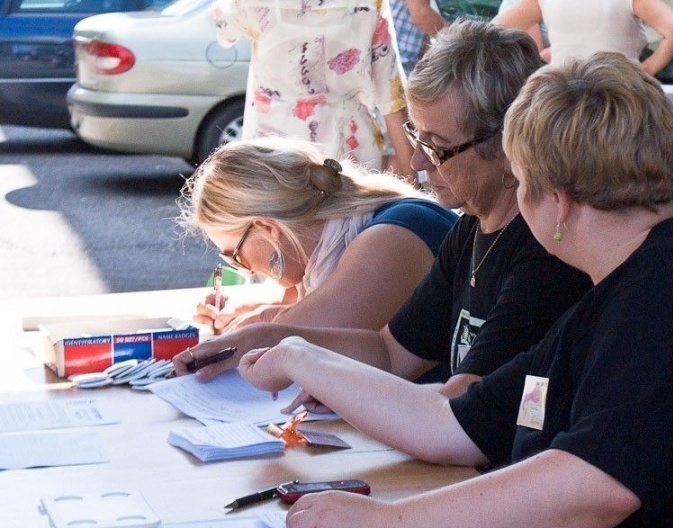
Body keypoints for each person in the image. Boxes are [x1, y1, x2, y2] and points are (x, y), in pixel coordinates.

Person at [237, 52, 673, 528]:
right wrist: (299, 353)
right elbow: (453, 424)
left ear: (558, 202)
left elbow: (593, 484)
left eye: (521, 181)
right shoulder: (618, 288)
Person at [174, 21, 593, 398]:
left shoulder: (542, 251)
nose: (418, 163)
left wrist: (302, 358)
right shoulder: (472, 229)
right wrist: (276, 341)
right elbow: (389, 352)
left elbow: (461, 411)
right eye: (417, 137)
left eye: (438, 146)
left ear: (504, 147)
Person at [178, 137, 456, 333]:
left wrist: (257, 322)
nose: (248, 272)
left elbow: (305, 337)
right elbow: (302, 302)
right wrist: (242, 308)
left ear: (268, 229)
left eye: (236, 257)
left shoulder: (390, 237)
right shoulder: (345, 235)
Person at [212, 0, 416, 182]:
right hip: (349, 148)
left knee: (273, 221)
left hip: (271, 145)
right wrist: (411, 182)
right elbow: (391, 94)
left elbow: (225, 32)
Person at [492, 0, 673, 75]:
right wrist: (646, 70)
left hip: (562, 98)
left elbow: (496, 28)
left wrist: (565, 51)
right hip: (621, 95)